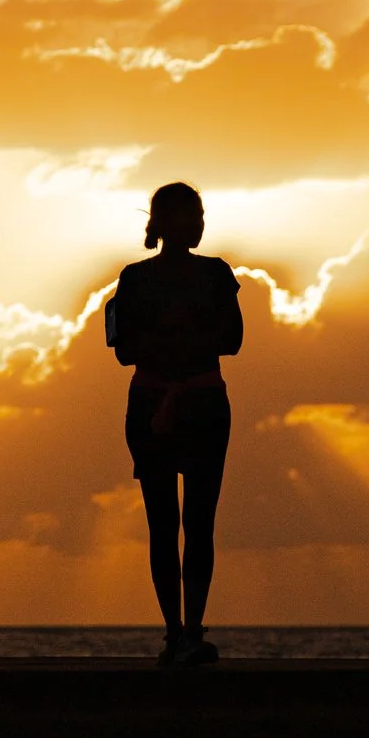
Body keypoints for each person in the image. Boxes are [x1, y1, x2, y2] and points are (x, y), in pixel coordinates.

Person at [106, 182, 243, 666]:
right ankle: (175, 632)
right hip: (161, 404)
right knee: (166, 523)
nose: (197, 224)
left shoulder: (214, 274)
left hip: (196, 402)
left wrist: (165, 341)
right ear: (164, 224)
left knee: (195, 524)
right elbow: (123, 349)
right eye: (188, 216)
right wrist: (187, 338)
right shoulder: (136, 278)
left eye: (199, 215)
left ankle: (189, 630)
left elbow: (234, 340)